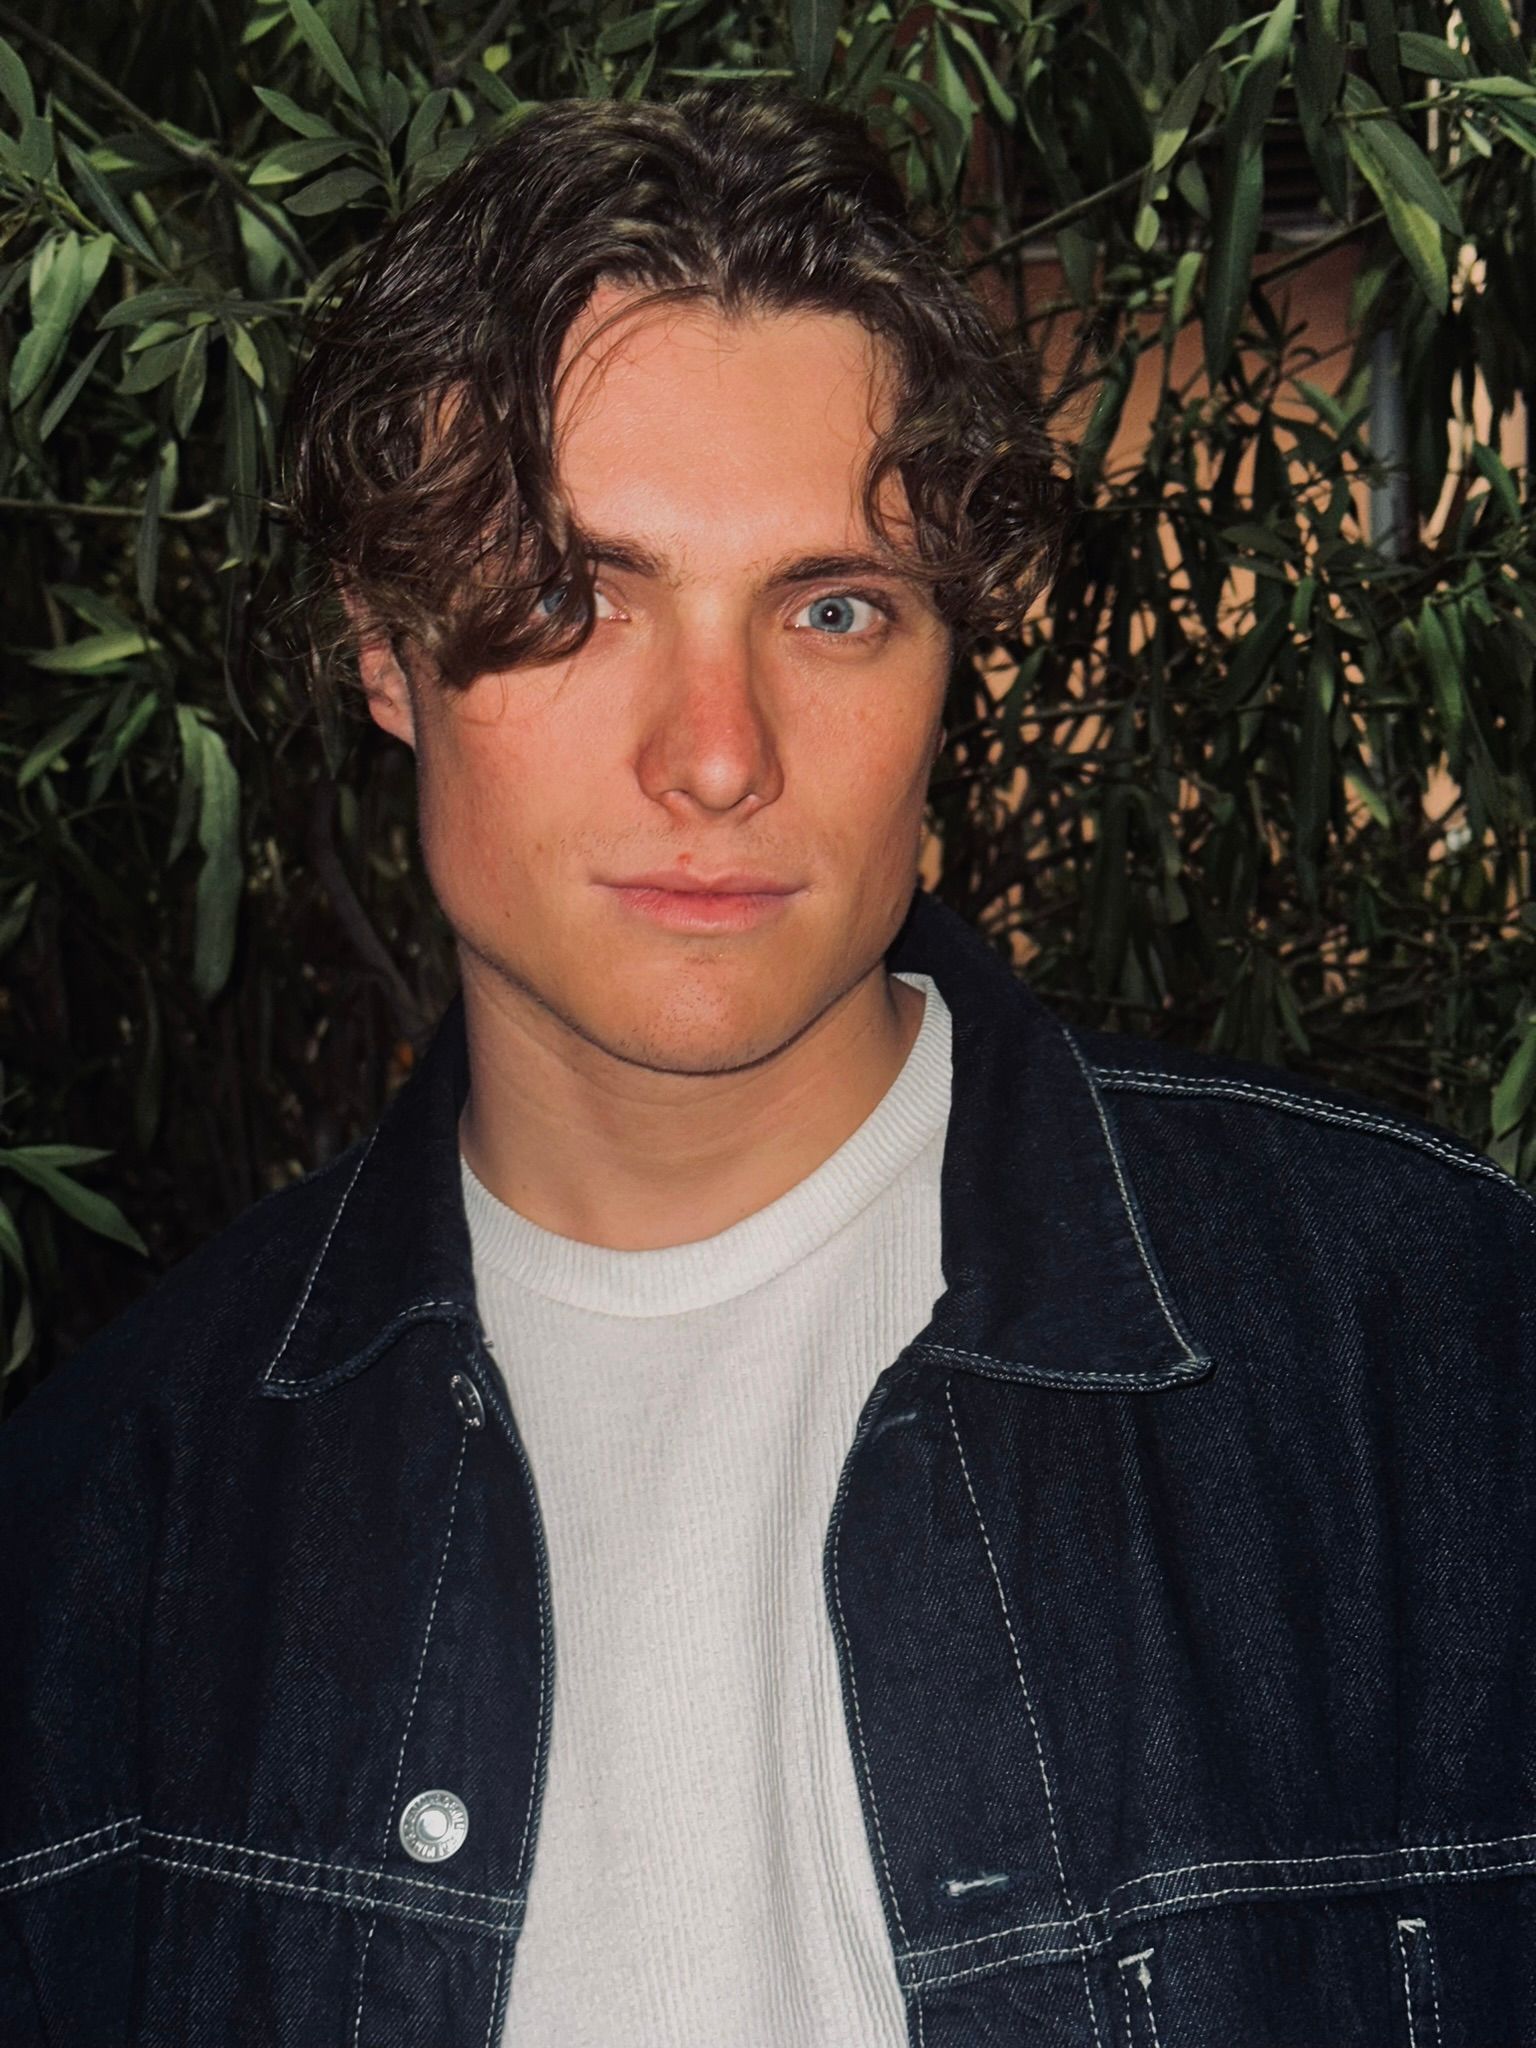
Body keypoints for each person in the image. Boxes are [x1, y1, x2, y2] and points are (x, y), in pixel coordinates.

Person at [2, 83, 1533, 2048]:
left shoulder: (1428, 1355)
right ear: (383, 649)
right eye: (572, 599)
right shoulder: (102, 1535)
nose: (718, 753)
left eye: (831, 607)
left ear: (950, 659)